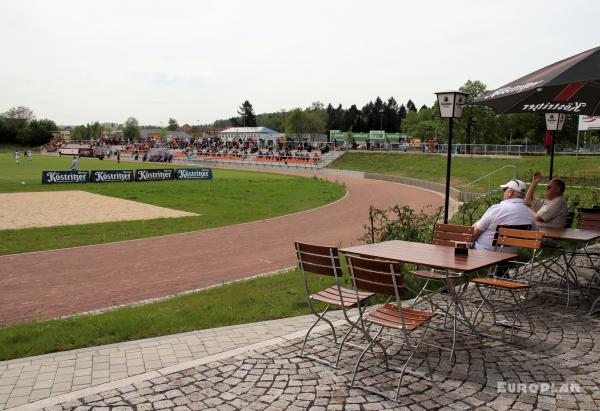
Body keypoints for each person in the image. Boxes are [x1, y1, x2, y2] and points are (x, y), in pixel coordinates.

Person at [472, 179, 537, 252]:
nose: (504, 193)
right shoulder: (530, 213)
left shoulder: (497, 209)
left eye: (504, 190)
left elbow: (474, 235)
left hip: (484, 255)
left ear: (510, 192)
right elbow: (534, 234)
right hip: (509, 258)